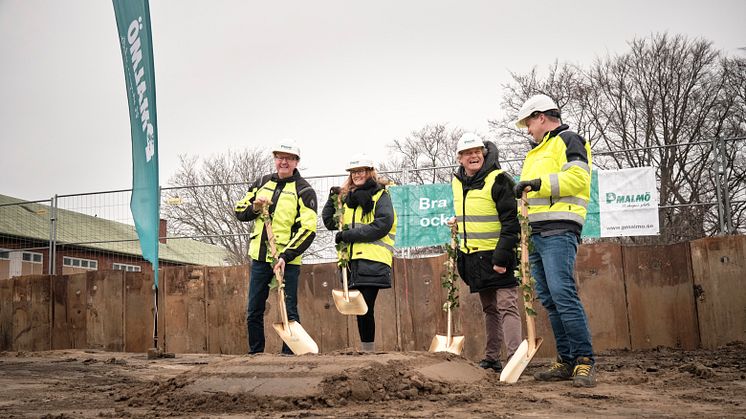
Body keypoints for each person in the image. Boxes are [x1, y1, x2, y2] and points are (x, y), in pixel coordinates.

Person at [513, 94, 596, 387]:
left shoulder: (569, 140)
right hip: (536, 235)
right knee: (549, 299)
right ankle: (566, 360)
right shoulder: (534, 154)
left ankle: (584, 361)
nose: (528, 130)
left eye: (529, 124)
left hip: (559, 230)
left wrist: (537, 184)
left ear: (541, 118)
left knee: (563, 294)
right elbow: (531, 197)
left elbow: (578, 179)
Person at [234, 139, 318, 355]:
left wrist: (286, 255)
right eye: (280, 157)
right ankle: (256, 354)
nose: (283, 162)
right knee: (254, 310)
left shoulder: (304, 190)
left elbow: (308, 230)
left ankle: (289, 357)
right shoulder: (261, 183)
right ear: (275, 159)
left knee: (288, 311)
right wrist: (255, 207)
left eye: (289, 158)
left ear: (296, 162)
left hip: (287, 261)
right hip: (261, 258)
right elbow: (239, 211)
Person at [450, 133, 522, 373]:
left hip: (498, 256)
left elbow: (511, 223)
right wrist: (458, 223)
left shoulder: (499, 180)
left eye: (477, 151)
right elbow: (475, 214)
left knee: (507, 306)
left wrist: (501, 258)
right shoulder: (458, 183)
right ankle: (492, 358)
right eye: (468, 152)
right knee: (489, 309)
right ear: (460, 158)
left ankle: (514, 359)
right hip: (474, 258)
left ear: (484, 153)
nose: (473, 156)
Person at [321, 154, 397, 352]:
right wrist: (332, 199)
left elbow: (382, 225)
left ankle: (368, 351)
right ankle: (367, 350)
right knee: (361, 309)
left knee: (365, 306)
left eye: (361, 171)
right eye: (353, 172)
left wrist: (348, 235)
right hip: (352, 262)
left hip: (374, 260)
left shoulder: (381, 196)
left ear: (370, 172)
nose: (357, 175)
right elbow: (330, 222)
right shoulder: (348, 200)